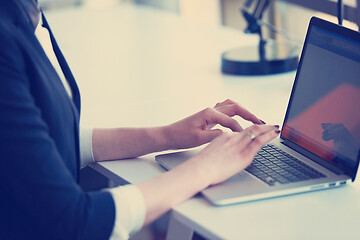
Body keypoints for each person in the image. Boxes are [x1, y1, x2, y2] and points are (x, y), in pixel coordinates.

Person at [0, 0, 280, 239]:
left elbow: (42, 140)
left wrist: (166, 136)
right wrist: (204, 168)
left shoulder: (24, 9)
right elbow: (74, 222)